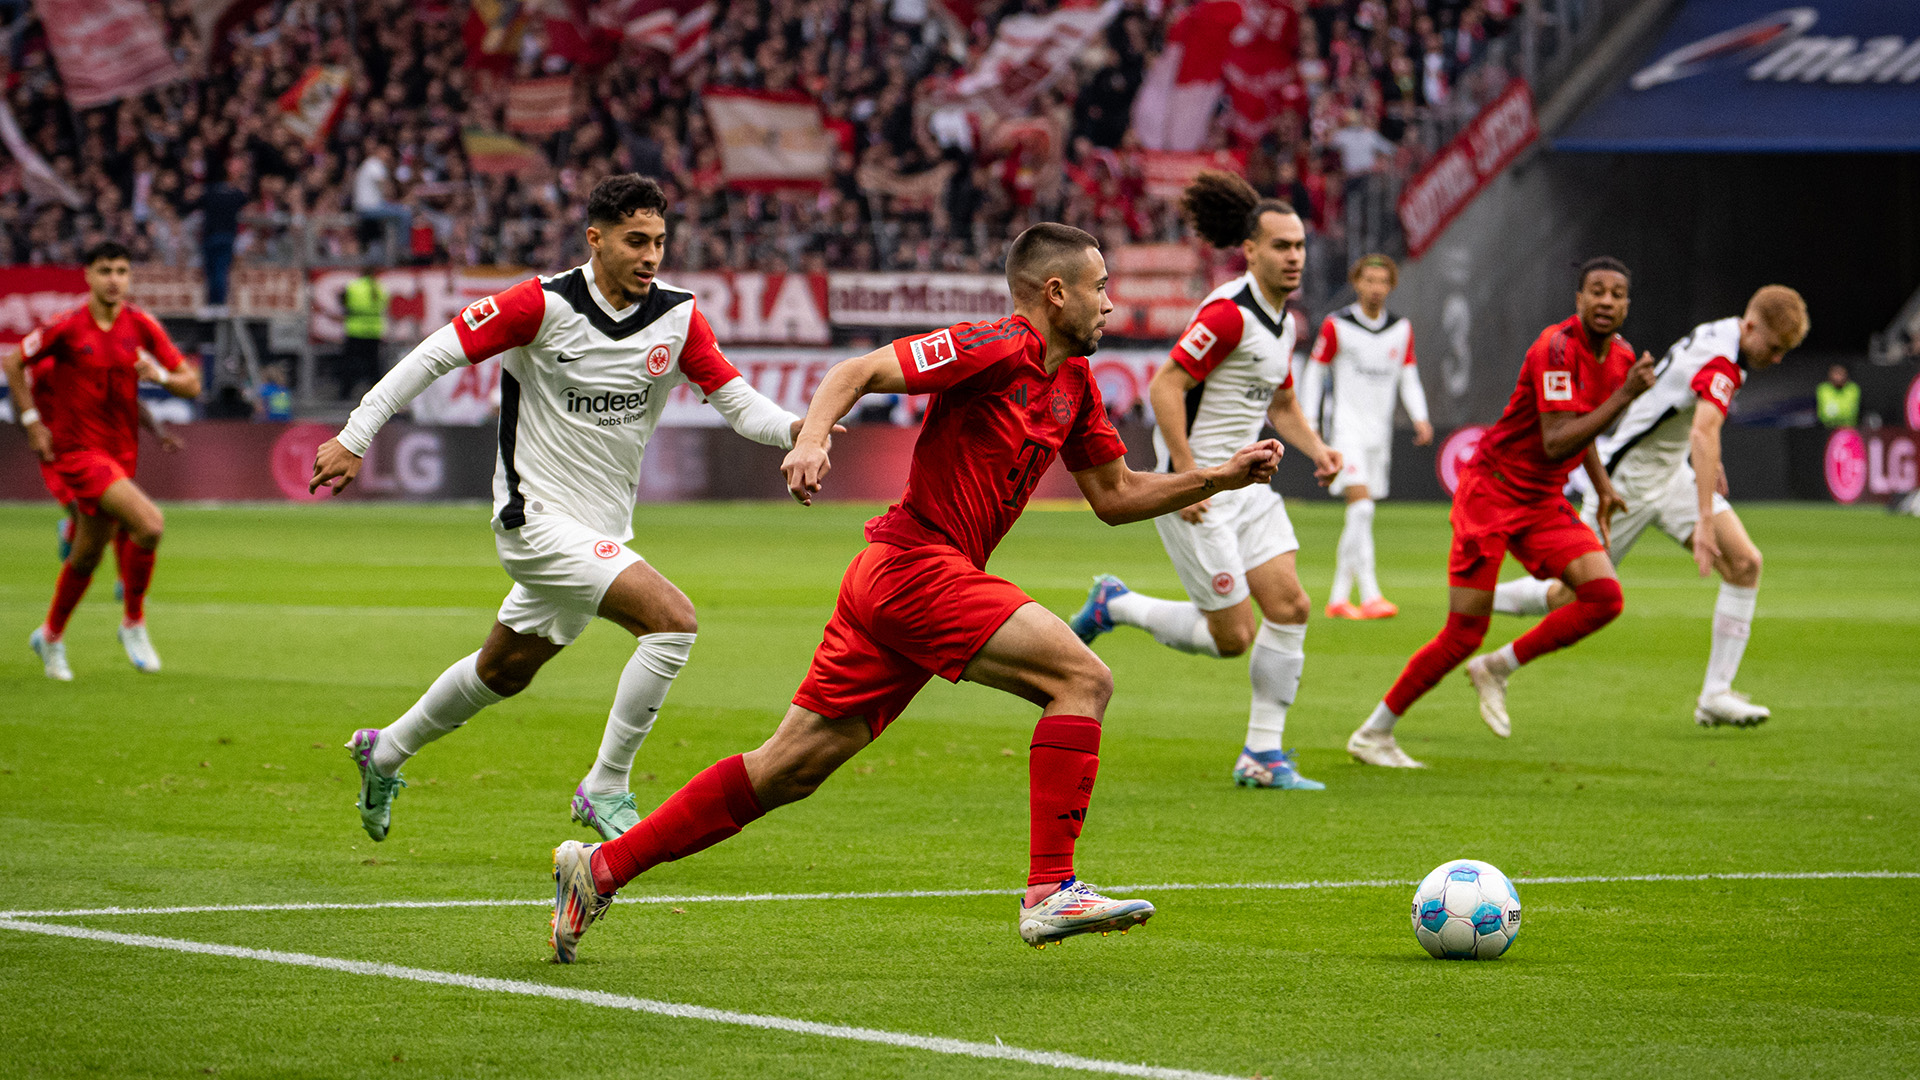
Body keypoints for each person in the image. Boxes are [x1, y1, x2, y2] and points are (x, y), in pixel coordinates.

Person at [547, 222, 1285, 962]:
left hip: (903, 582)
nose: (1110, 305)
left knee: (787, 768)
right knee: (1082, 676)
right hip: (915, 568)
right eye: (1100, 287)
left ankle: (601, 868)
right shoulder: (989, 345)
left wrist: (1218, 476)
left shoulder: (1076, 385)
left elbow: (1118, 494)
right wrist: (810, 440)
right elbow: (855, 372)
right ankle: (1051, 889)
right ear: (1056, 293)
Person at [310, 175, 814, 845]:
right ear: (595, 239)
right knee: (672, 623)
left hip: (601, 531)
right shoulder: (538, 306)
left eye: (660, 242)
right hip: (534, 519)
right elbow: (434, 355)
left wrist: (796, 431)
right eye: (636, 241)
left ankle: (385, 751)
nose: (651, 256)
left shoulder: (678, 316)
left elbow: (737, 400)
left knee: (504, 671)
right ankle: (605, 784)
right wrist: (355, 434)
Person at [1067, 171, 1341, 791]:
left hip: (1247, 486)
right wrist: (1190, 476)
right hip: (1199, 489)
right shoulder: (1227, 314)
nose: (1294, 257)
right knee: (1232, 639)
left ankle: (1262, 756)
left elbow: (1284, 403)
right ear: (1250, 249)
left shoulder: (1285, 322)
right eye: (1281, 246)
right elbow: (1165, 385)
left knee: (1291, 606)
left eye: (1299, 246)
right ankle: (1117, 605)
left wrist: (1319, 448)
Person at [1345, 257, 1656, 767]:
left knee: (1603, 597)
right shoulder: (1555, 348)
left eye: (1617, 294)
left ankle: (1499, 667)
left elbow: (1585, 428)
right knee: (1464, 631)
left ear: (1626, 305)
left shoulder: (1620, 358)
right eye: (1596, 291)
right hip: (1491, 493)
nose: (1606, 301)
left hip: (1541, 500)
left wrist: (1601, 487)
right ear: (1578, 300)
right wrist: (1626, 396)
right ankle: (1374, 733)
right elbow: (1558, 440)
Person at [1491, 286, 1809, 728]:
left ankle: (1715, 694)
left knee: (1745, 563)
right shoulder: (1723, 361)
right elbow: (1702, 430)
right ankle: (1479, 598)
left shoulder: (1727, 337)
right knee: (1570, 595)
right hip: (1627, 483)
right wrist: (1703, 518)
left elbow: (1690, 418)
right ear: (1751, 326)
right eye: (1774, 348)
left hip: (1669, 473)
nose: (1776, 359)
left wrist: (1706, 466)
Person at [3, 241, 202, 680]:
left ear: (129, 278)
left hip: (120, 453)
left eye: (122, 271)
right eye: (105, 270)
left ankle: (50, 635)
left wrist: (162, 376)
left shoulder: (141, 325)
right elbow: (14, 362)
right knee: (149, 524)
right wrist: (34, 423)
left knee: (87, 555)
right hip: (77, 454)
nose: (114, 279)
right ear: (89, 276)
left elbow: (192, 385)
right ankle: (133, 621)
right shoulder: (67, 326)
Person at [1305, 253, 1432, 620]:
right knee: (1362, 507)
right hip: (1346, 428)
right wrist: (1311, 421)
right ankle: (1372, 594)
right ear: (1356, 283)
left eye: (1382, 281)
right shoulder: (1337, 325)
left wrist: (1420, 417)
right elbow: (1315, 373)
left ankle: (1339, 598)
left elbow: (1408, 375)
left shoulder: (1400, 328)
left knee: (1360, 514)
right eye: (1368, 280)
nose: (1375, 288)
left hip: (1380, 432)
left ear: (1391, 286)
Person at [339, 261, 389, 400]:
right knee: (374, 366)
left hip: (355, 330)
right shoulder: (380, 288)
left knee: (350, 364)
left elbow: (343, 302)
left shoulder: (354, 286)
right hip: (374, 331)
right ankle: (378, 395)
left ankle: (345, 393)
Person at [1816, 363, 1858, 429]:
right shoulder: (1823, 389)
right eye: (1836, 374)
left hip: (1848, 428)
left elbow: (1850, 414)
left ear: (1846, 375)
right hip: (1828, 427)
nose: (1838, 377)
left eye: (1841, 374)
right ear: (1830, 375)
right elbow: (1824, 415)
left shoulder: (1853, 388)